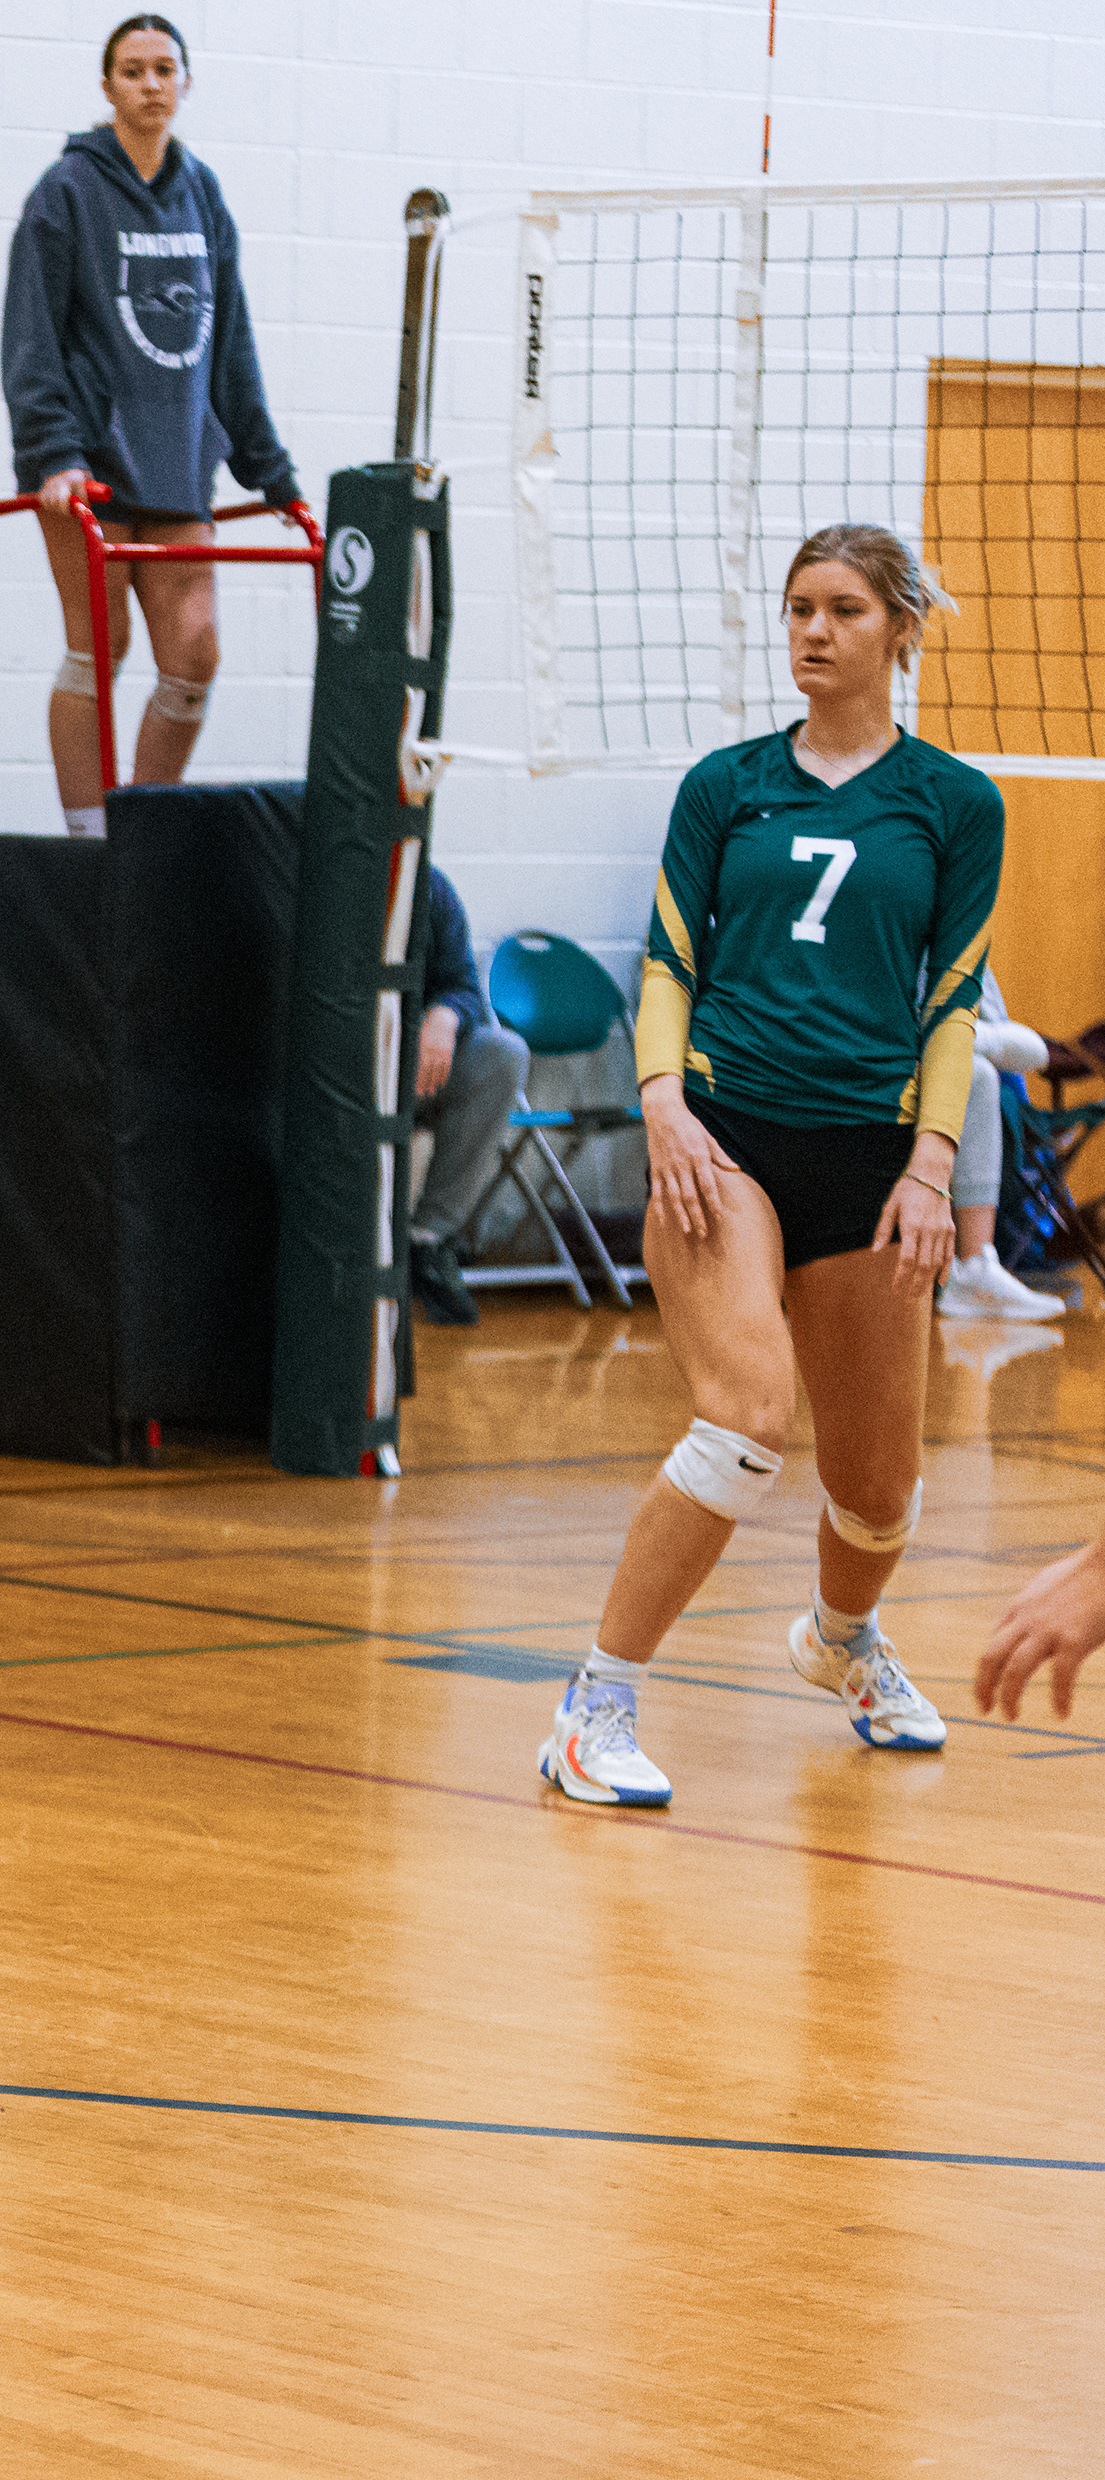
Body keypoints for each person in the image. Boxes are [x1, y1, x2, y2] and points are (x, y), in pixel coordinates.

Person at [535, 525, 1000, 1809]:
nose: (813, 631)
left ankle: (842, 1641)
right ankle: (594, 1704)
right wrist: (663, 1105)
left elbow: (954, 1001)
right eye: (799, 607)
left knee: (879, 1491)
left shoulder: (956, 804)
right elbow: (667, 961)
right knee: (744, 1419)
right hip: (724, 1138)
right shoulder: (725, 785)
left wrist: (931, 1166)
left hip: (870, 1157)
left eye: (844, 609)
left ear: (900, 630)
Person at [0, 11, 305, 838]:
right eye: (132, 71)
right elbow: (31, 333)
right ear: (107, 87)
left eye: (164, 69)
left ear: (186, 83)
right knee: (100, 647)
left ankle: (141, 828)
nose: (150, 85)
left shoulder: (204, 193)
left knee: (195, 654)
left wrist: (272, 472)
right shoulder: (65, 191)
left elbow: (230, 340)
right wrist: (53, 453)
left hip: (178, 465)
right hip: (89, 468)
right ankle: (88, 838)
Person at [399, 865, 532, 1328]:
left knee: (503, 1053)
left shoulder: (430, 887)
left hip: (412, 1075)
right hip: (331, 1076)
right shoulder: (310, 873)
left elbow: (462, 986)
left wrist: (446, 1014)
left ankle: (427, 1238)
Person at [939, 973, 1066, 1321]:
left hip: (953, 1070)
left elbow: (1030, 1051)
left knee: (977, 1073)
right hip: (878, 1070)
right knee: (974, 1071)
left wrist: (971, 1037)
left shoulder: (967, 951)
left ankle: (975, 1265)